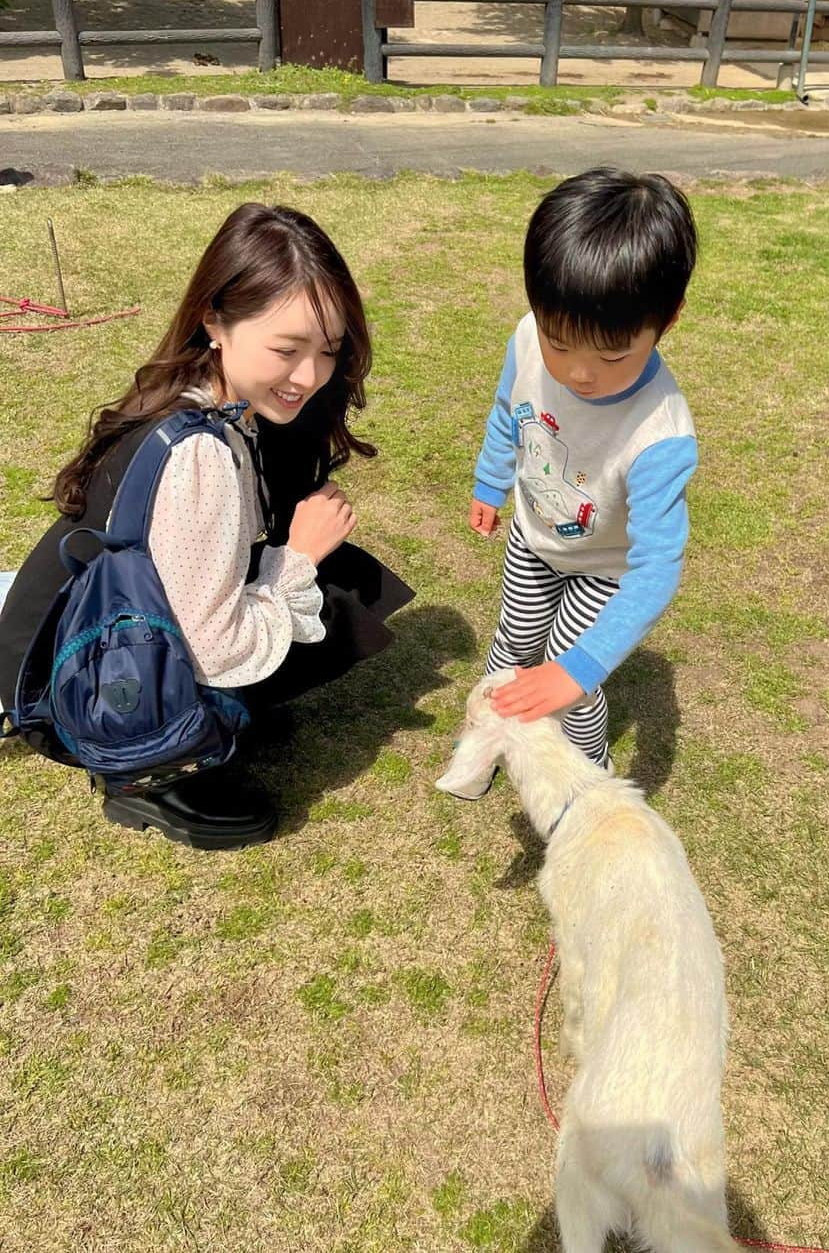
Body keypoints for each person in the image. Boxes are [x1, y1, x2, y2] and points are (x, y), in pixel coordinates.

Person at [0, 203, 412, 848]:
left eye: (328, 351)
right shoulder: (200, 454)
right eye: (287, 348)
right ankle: (153, 772)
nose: (310, 375)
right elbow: (214, 646)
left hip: (56, 643)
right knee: (332, 588)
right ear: (214, 320)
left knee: (341, 576)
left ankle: (204, 728)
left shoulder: (203, 391)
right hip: (75, 689)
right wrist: (298, 560)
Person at [442, 167, 698, 797]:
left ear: (665, 321)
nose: (579, 373)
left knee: (566, 675)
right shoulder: (529, 339)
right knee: (513, 644)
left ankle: (583, 783)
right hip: (534, 537)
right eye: (561, 343)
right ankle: (485, 748)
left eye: (612, 355)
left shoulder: (660, 435)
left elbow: (656, 567)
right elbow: (511, 411)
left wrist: (579, 670)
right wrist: (489, 481)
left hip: (604, 565)